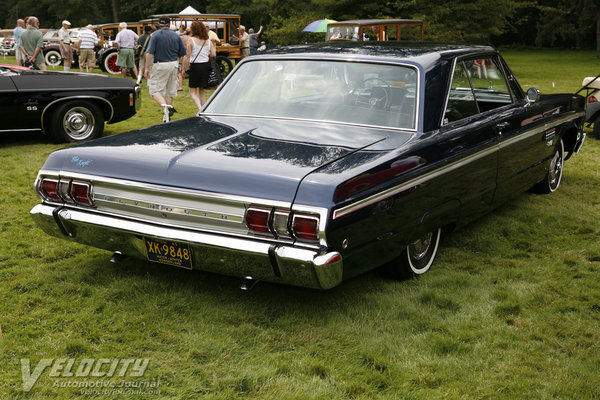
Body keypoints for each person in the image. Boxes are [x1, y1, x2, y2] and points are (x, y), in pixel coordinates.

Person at [144, 16, 187, 123]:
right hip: (174, 64)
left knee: (154, 90)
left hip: (160, 64)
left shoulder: (155, 35)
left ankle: (166, 109)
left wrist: (146, 68)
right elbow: (182, 54)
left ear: (159, 24)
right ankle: (166, 118)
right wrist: (180, 66)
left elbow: (149, 53)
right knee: (169, 91)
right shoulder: (176, 36)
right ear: (169, 24)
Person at [187, 21, 216, 114]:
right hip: (205, 65)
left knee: (192, 91)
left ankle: (200, 109)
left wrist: (183, 69)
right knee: (201, 90)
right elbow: (213, 54)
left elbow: (187, 56)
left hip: (195, 66)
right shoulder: (208, 41)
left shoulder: (191, 40)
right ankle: (204, 108)